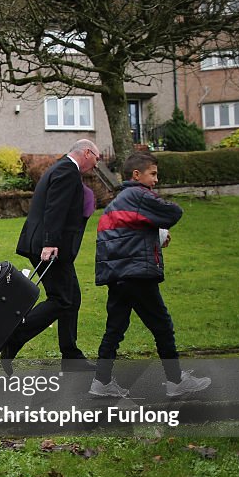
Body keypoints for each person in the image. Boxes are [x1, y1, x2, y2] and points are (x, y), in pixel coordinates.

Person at [89, 152, 211, 398]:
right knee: (162, 326)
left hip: (118, 276)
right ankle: (176, 381)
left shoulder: (116, 202)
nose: (156, 180)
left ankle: (101, 381)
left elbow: (121, 236)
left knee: (115, 329)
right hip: (137, 275)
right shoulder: (138, 194)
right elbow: (173, 212)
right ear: (137, 174)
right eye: (152, 174)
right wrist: (159, 228)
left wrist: (155, 234)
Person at [0, 139, 100, 374]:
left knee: (71, 297)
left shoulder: (60, 168)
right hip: (49, 248)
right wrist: (51, 243)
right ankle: (14, 337)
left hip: (49, 247)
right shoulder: (67, 171)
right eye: (96, 158)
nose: (96, 164)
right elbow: (55, 209)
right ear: (87, 152)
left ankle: (71, 356)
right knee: (62, 299)